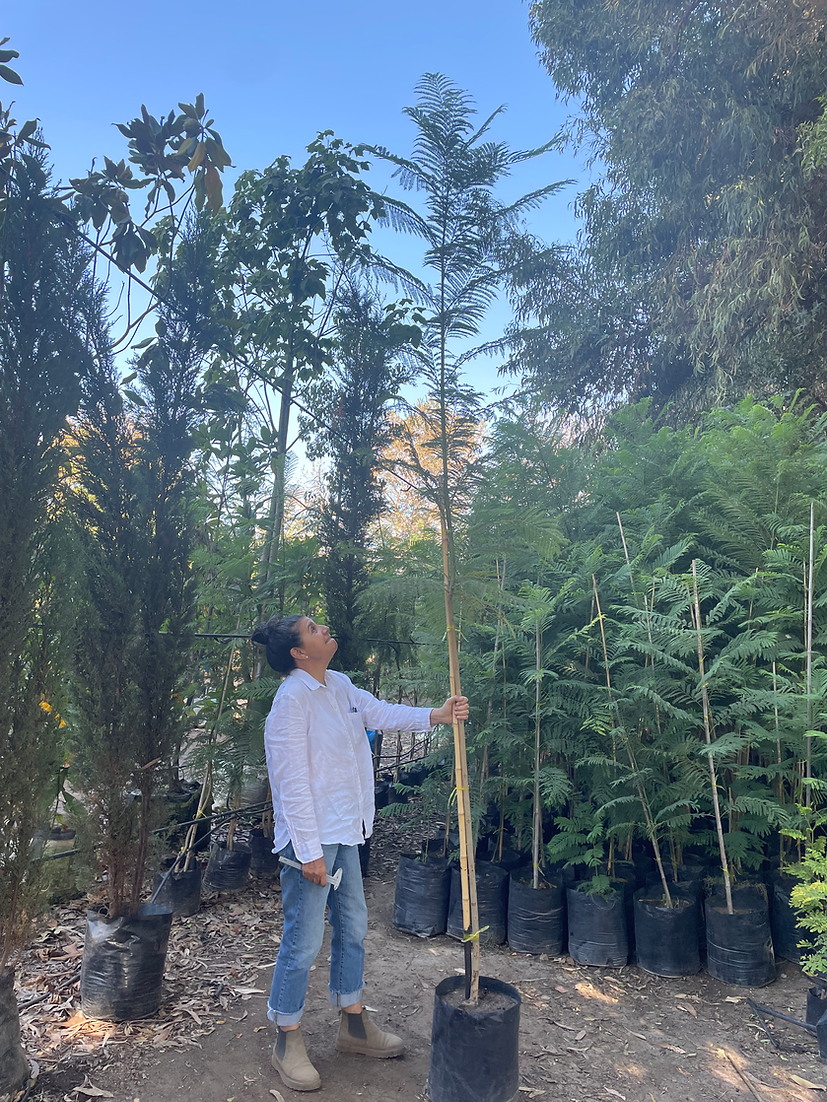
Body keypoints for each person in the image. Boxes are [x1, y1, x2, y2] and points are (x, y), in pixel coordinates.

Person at [251, 613, 469, 1093]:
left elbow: (380, 712)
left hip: (346, 830)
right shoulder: (291, 702)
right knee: (303, 939)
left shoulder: (340, 685)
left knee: (353, 925)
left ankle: (352, 1021)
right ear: (298, 652)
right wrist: (309, 852)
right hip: (310, 840)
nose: (324, 628)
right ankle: (287, 1036)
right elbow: (289, 783)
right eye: (313, 629)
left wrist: (436, 715)